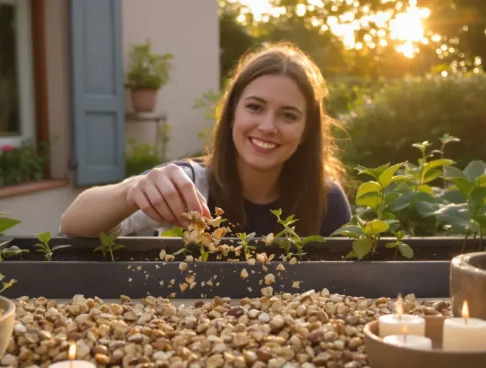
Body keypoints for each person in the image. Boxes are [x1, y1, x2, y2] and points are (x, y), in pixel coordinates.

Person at [60, 42, 352, 238]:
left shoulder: (327, 200)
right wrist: (131, 190)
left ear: (306, 130)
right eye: (255, 107)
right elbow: (72, 224)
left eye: (288, 115)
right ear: (232, 113)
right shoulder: (191, 184)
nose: (267, 126)